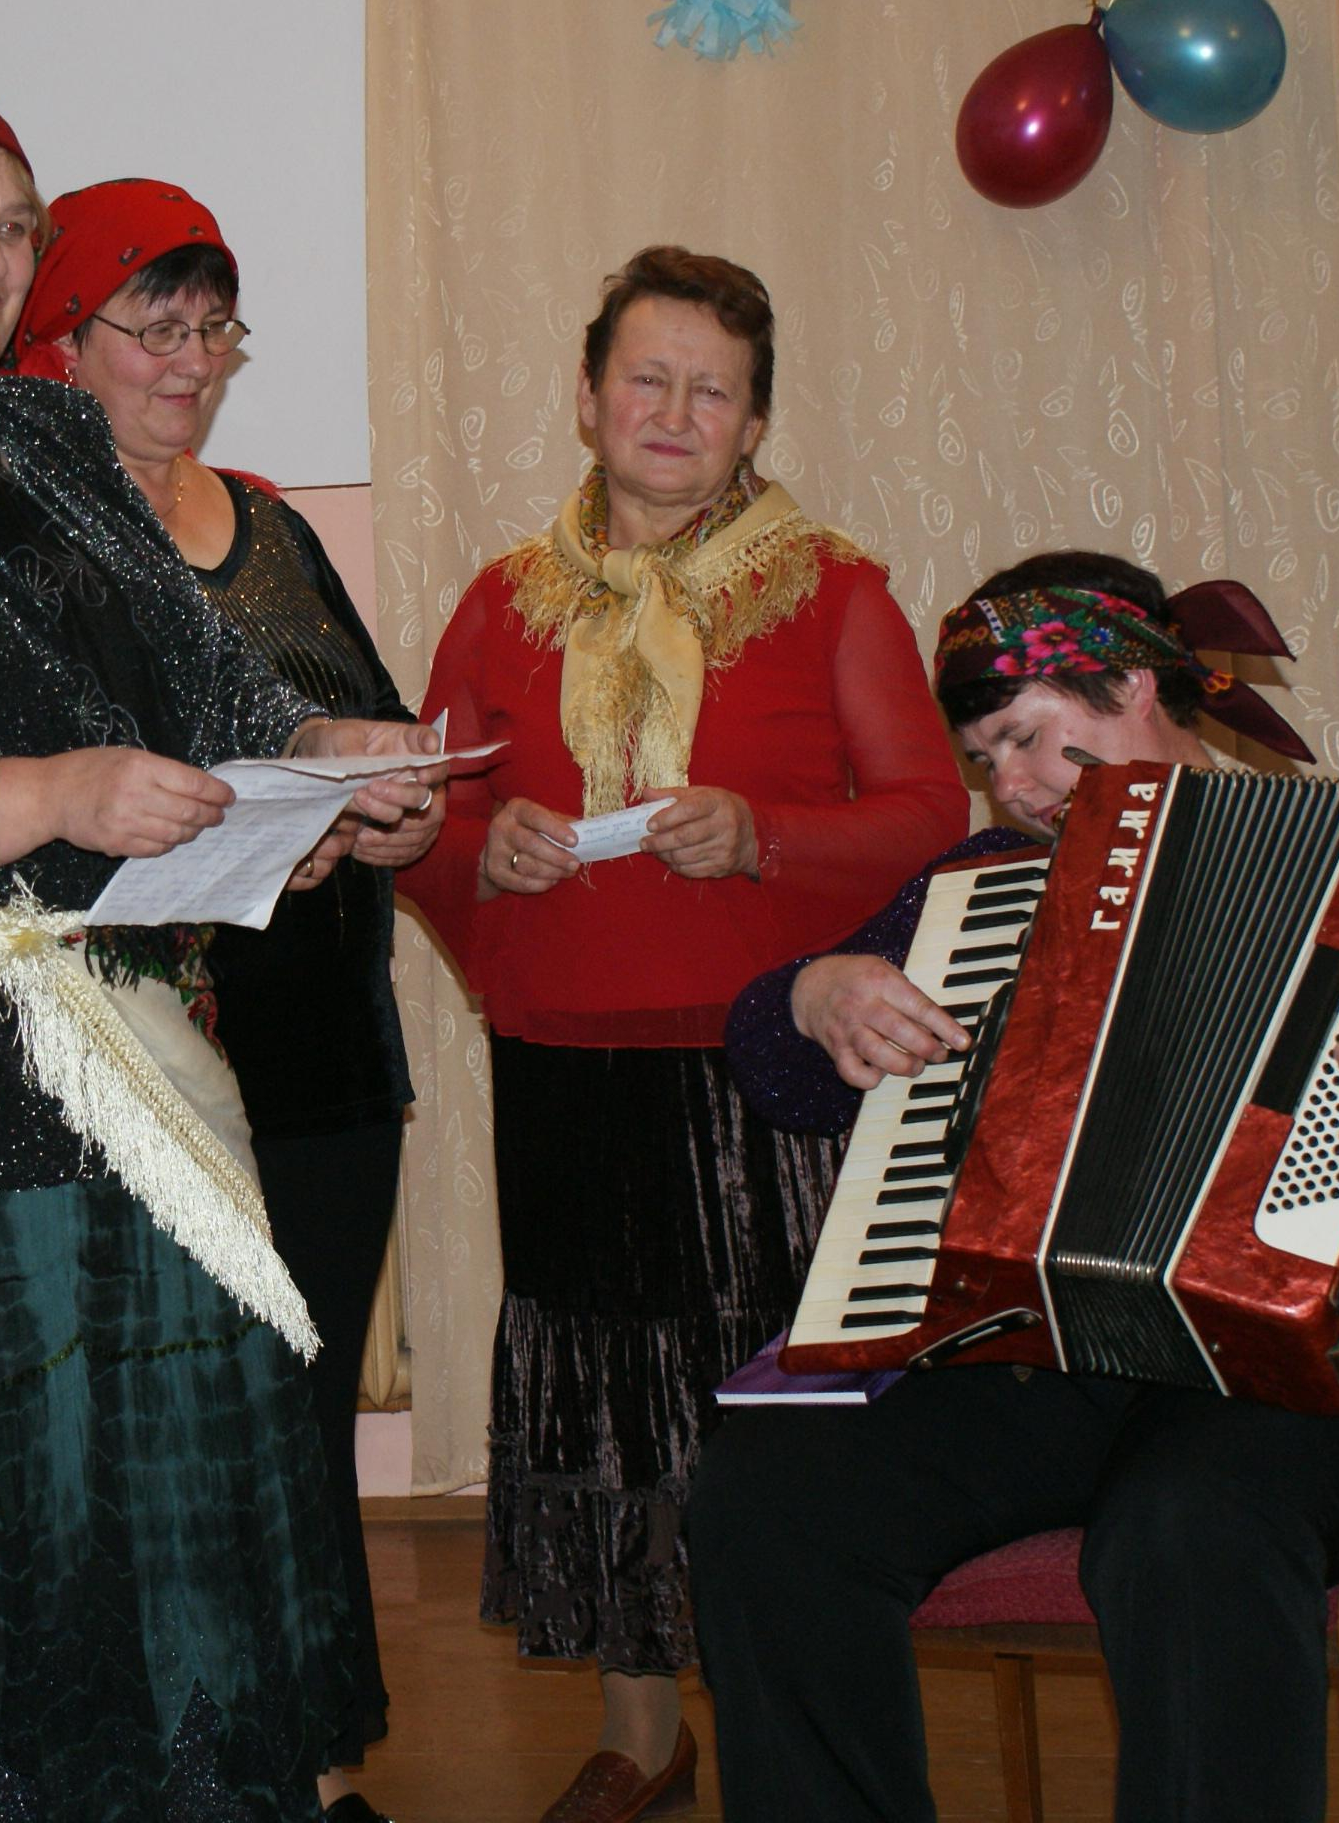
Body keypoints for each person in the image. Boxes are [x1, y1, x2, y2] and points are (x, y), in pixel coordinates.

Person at [0, 88, 438, 1822]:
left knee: (203, 1488)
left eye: (11, 227)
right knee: (33, 1514)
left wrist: (328, 756)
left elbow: (210, 686)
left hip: (160, 1051)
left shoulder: (51, 438)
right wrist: (47, 791)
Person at [688, 550, 1339, 1822]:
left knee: (1188, 1522)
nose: (1010, 787)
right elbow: (774, 1068)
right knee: (766, 1495)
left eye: (1025, 737)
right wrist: (811, 994)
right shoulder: (978, 889)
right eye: (984, 759)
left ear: (1130, 682)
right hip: (1055, 1353)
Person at [396, 245, 968, 1823]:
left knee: (763, 1414)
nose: (673, 411)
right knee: (604, 1405)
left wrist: (768, 837)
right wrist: (484, 854)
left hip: (767, 1076)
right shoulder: (500, 602)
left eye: (712, 391)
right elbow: (417, 827)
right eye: (645, 379)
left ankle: (798, 1726)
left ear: (755, 423)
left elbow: (930, 816)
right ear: (587, 399)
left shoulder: (836, 590)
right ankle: (641, 1734)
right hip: (564, 1065)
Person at [14, 177, 436, 1811]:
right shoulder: (25, 540)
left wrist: (399, 801)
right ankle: (206, 1768)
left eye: (215, 328)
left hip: (330, 1052)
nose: (192, 360)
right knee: (191, 1438)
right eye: (156, 325)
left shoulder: (270, 520)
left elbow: (368, 723)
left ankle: (310, 1767)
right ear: (63, 340)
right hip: (162, 1055)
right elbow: (51, 815)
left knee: (307, 1424)